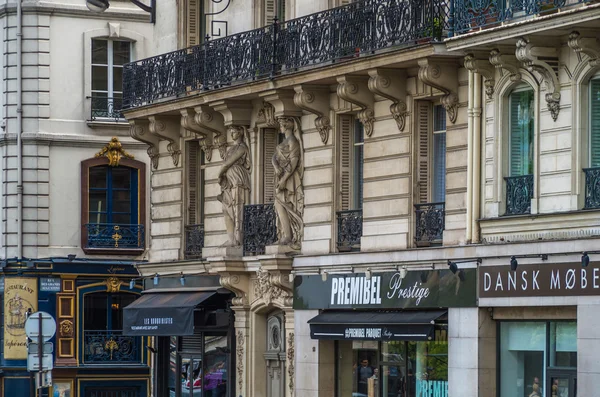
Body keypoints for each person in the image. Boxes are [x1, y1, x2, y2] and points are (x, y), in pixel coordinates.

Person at [272, 117, 304, 249]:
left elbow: (294, 161)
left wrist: (284, 179)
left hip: (289, 177)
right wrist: (276, 167)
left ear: (286, 126)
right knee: (279, 204)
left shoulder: (292, 140)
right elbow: (274, 157)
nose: (280, 126)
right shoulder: (285, 141)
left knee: (284, 204)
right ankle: (285, 235)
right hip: (281, 174)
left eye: (281, 124)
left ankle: (288, 235)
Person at [217, 125, 251, 246]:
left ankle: (238, 238)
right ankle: (231, 239)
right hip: (228, 182)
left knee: (237, 207)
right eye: (231, 132)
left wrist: (220, 174)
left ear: (241, 132)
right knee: (226, 208)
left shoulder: (242, 147)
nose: (232, 134)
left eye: (234, 132)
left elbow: (227, 163)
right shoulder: (231, 148)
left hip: (238, 179)